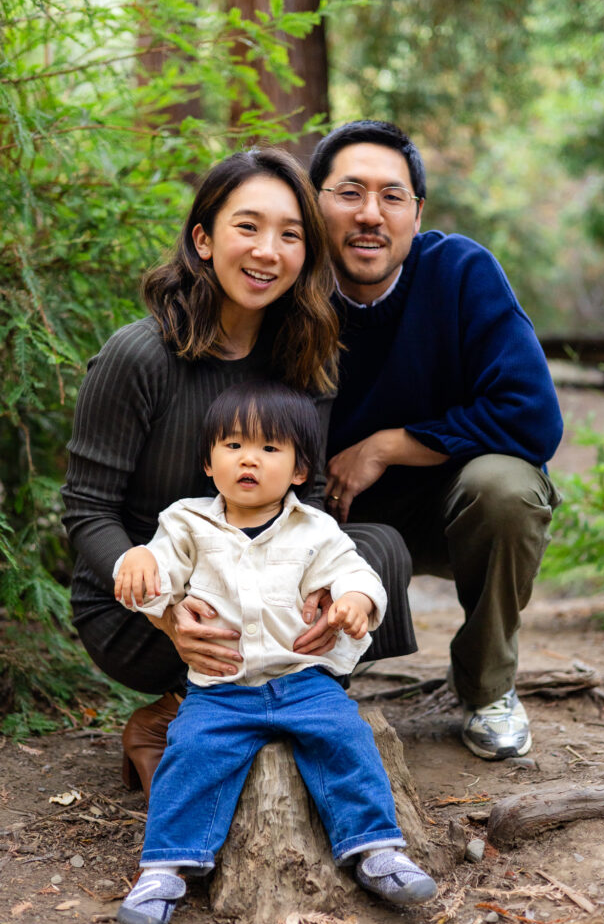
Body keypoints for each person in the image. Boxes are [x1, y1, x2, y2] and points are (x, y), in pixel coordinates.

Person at [62, 148, 416, 800]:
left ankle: (265, 717)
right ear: (203, 238)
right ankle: (171, 711)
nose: (268, 251)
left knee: (378, 556)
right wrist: (164, 609)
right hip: (148, 605)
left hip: (260, 585)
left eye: (290, 235)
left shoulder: (307, 357)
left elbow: (304, 497)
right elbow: (86, 508)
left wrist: (320, 586)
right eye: (247, 227)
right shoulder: (139, 356)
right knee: (202, 599)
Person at [114, 381, 437, 924]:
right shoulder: (186, 522)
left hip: (302, 679)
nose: (249, 459)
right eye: (233, 445)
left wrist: (358, 598)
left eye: (269, 448)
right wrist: (140, 560)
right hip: (221, 685)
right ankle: (164, 868)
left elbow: (352, 571)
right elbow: (160, 573)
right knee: (192, 751)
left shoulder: (314, 529)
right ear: (209, 464)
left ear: (296, 471)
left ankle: (377, 849)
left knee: (345, 737)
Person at [308, 120, 564, 761]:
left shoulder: (460, 273)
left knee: (505, 488)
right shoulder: (288, 286)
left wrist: (387, 445)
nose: (371, 214)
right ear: (315, 204)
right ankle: (308, 677)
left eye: (392, 196)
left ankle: (486, 687)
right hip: (331, 516)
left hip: (450, 507)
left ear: (416, 214)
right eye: (349, 193)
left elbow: (534, 416)